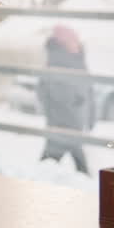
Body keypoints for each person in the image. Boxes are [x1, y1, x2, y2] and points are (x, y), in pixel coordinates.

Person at [37, 25, 95, 173]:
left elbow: (88, 90)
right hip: (63, 122)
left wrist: (90, 116)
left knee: (52, 160)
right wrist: (75, 101)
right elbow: (46, 91)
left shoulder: (77, 60)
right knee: (53, 158)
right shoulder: (57, 61)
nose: (76, 43)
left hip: (74, 122)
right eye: (72, 40)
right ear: (64, 43)